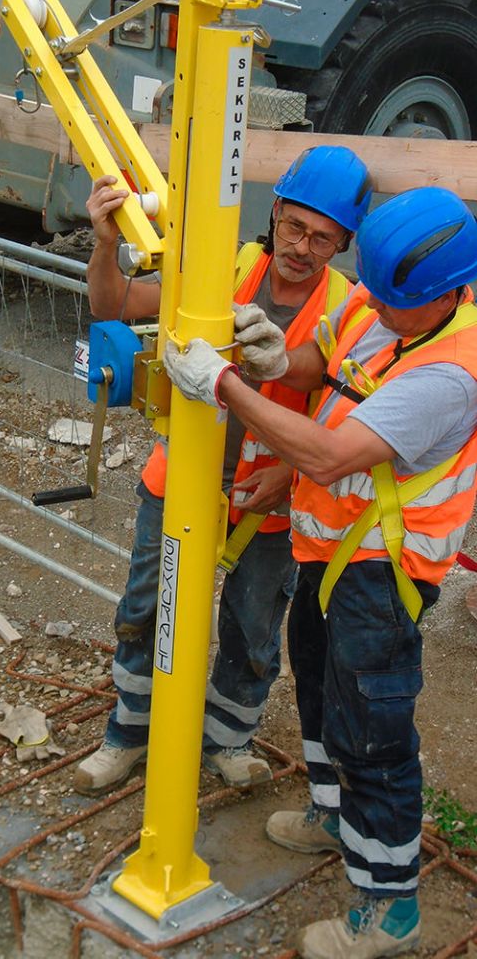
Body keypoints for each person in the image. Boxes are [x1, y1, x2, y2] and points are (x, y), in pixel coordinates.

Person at [164, 185, 477, 959]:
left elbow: (328, 452)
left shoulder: (450, 376)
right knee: (317, 688)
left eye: (388, 294)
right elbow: (323, 363)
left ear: (444, 294)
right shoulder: (385, 307)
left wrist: (226, 385)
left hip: (382, 575)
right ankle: (329, 815)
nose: (366, 297)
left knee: (373, 734)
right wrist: (280, 356)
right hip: (328, 554)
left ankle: (387, 909)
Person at [75, 146, 372, 795]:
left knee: (251, 630)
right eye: (294, 226)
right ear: (276, 212)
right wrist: (103, 243)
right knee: (145, 607)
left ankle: (226, 740)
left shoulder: (346, 308)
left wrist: (293, 481)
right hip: (180, 473)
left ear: (343, 243)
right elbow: (113, 302)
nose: (302, 246)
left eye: (323, 238)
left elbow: (340, 405)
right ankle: (128, 731)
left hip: (268, 499)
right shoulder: (227, 263)